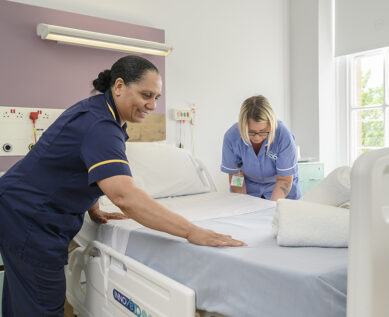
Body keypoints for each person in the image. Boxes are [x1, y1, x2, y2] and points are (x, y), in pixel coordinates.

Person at [0, 55, 245, 317]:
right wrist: (190, 231)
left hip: (20, 209)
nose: (152, 105)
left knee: (21, 302)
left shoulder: (101, 114)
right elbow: (125, 195)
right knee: (40, 306)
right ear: (118, 86)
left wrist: (92, 205)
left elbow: (78, 166)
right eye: (146, 94)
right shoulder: (100, 125)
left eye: (157, 98)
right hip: (29, 219)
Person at [221, 95, 301, 201]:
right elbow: (236, 175)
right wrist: (242, 204)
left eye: (263, 131)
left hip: (281, 191)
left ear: (271, 124)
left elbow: (284, 180)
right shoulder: (232, 137)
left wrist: (271, 206)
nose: (257, 137)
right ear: (242, 126)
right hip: (250, 192)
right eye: (251, 131)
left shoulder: (283, 136)